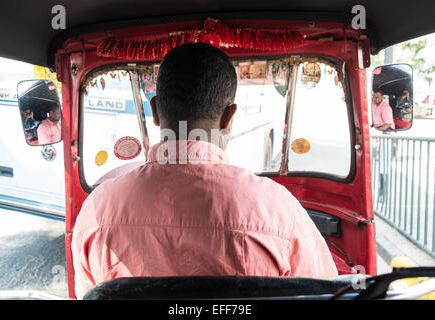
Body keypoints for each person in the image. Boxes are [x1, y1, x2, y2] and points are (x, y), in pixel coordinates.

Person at [71, 43, 338, 299]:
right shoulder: (280, 212)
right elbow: (326, 291)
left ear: (154, 111)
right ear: (229, 117)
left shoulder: (96, 213)